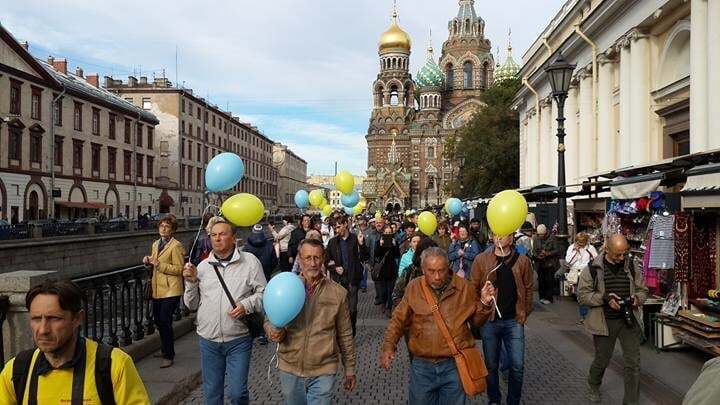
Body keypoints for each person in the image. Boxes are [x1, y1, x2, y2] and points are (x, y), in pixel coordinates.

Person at [0, 280, 150, 404]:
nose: (43, 329)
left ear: (77, 318)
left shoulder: (113, 365)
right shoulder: (16, 370)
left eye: (54, 318)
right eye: (36, 319)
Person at [380, 247, 495, 404]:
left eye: (441, 270)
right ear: (423, 269)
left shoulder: (463, 287)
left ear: (448, 267)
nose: (437, 276)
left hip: (454, 364)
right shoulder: (414, 287)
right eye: (431, 271)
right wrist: (389, 346)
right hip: (422, 365)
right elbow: (398, 319)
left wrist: (484, 303)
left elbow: (476, 322)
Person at [183, 216, 267, 405]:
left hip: (238, 338)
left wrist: (246, 305)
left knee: (237, 393)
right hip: (208, 339)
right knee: (212, 395)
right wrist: (190, 282)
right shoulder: (203, 267)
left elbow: (264, 294)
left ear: (234, 238)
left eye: (222, 234)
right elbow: (191, 305)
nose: (217, 239)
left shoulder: (250, 262)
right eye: (213, 235)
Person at [265, 239, 356, 404]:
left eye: (317, 258)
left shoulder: (338, 293)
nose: (313, 263)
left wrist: (349, 368)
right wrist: (272, 328)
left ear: (323, 259)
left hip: (323, 369)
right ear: (299, 259)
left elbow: (345, 333)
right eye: (308, 258)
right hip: (290, 367)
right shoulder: (286, 287)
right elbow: (270, 317)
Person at [577, 234, 648, 404]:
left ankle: (631, 402)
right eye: (618, 254)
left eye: (625, 253)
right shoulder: (593, 269)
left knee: (633, 364)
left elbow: (643, 290)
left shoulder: (631, 266)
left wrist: (636, 299)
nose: (622, 258)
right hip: (605, 322)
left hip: (628, 320)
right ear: (607, 249)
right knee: (603, 358)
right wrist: (605, 299)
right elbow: (583, 296)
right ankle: (593, 383)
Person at [471, 233, 534, 405]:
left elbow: (529, 288)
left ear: (512, 238)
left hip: (514, 321)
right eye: (495, 232)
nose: (498, 236)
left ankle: (513, 401)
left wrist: (524, 312)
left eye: (503, 233)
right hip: (490, 321)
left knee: (517, 366)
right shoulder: (481, 260)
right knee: (491, 365)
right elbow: (472, 288)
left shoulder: (523, 261)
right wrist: (482, 304)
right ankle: (494, 399)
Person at [142, 214, 185, 368]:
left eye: (167, 226)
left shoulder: (176, 246)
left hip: (171, 289)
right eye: (161, 226)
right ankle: (164, 348)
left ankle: (168, 355)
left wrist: (159, 264)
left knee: (165, 321)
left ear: (172, 230)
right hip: (157, 289)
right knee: (158, 321)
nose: (163, 228)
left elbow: (180, 269)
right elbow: (154, 263)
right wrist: (148, 261)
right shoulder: (156, 244)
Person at [325, 215, 368, 336]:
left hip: (352, 280)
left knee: (352, 309)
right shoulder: (333, 242)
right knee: (340, 309)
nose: (337, 230)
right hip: (338, 281)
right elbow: (326, 261)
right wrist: (334, 267)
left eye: (338, 227)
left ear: (345, 224)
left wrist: (362, 244)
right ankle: (342, 333)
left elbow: (365, 257)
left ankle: (352, 330)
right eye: (335, 227)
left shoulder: (355, 238)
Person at [564, 232, 598, 323]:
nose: (581, 245)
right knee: (580, 296)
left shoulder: (591, 248)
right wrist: (576, 252)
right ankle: (584, 315)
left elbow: (596, 260)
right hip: (575, 274)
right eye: (579, 243)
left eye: (583, 243)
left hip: (586, 274)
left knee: (586, 294)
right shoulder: (571, 248)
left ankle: (587, 315)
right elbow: (568, 261)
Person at [373, 224, 401, 316]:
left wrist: (394, 245)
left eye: (390, 232)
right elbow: (376, 255)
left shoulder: (394, 242)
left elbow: (397, 255)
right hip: (382, 269)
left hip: (392, 268)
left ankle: (389, 307)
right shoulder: (378, 242)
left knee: (390, 290)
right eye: (386, 232)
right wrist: (380, 245)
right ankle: (383, 303)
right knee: (383, 290)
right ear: (383, 233)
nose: (388, 234)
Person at [243, 224, 278, 288]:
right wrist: (269, 270)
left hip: (251, 276)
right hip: (265, 274)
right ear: (263, 233)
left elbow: (243, 262)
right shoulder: (270, 245)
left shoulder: (247, 247)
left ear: (253, 232)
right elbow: (274, 261)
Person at [532, 224, 559, 304]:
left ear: (545, 232)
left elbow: (557, 250)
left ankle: (549, 298)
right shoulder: (536, 238)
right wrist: (538, 255)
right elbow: (534, 250)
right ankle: (542, 297)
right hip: (540, 263)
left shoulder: (552, 237)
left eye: (542, 235)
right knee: (541, 280)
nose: (541, 236)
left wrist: (548, 253)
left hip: (550, 263)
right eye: (539, 235)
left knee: (549, 280)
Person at [363, 216, 386, 305]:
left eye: (380, 222)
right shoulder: (371, 234)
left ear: (383, 223)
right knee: (376, 280)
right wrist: (368, 261)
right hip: (374, 261)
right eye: (377, 223)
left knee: (384, 282)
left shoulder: (387, 233)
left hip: (385, 261)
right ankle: (378, 296)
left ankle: (384, 299)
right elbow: (367, 248)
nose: (378, 224)